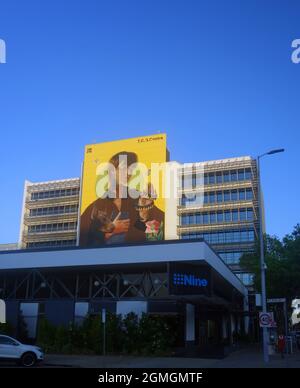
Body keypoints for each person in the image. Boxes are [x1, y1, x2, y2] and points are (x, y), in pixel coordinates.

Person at [80, 151, 164, 247]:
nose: (129, 172)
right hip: (104, 260)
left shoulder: (139, 198)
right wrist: (108, 233)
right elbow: (83, 237)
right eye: (124, 168)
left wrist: (145, 216)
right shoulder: (96, 206)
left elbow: (161, 228)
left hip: (136, 258)